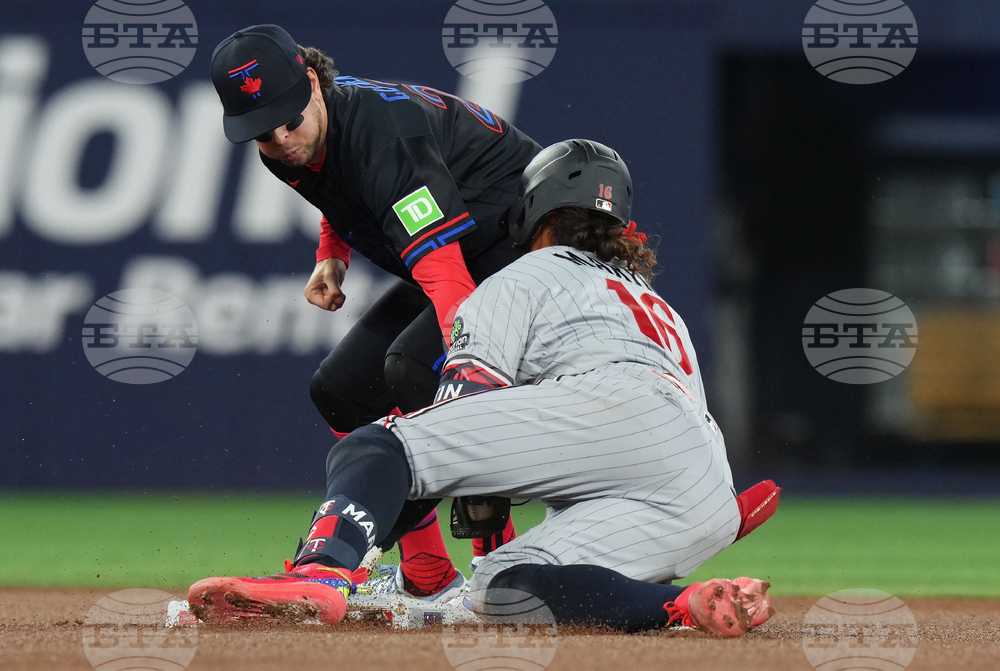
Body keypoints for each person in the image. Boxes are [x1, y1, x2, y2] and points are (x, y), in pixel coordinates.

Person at [188, 139, 780, 635]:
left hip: (613, 407)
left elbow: (470, 395)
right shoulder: (660, 306)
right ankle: (684, 606)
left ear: (533, 211)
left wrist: (376, 516)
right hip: (704, 488)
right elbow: (654, 437)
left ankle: (320, 573)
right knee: (502, 589)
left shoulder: (524, 274)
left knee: (377, 447)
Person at [209, 24, 539, 598]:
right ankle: (428, 574)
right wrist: (330, 256)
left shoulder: (384, 134)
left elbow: (446, 276)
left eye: (289, 119)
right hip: (459, 247)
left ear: (312, 83)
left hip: (528, 252)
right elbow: (345, 193)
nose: (282, 138)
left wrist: (476, 374)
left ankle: (500, 562)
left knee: (418, 371)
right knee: (341, 390)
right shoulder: (290, 142)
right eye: (264, 132)